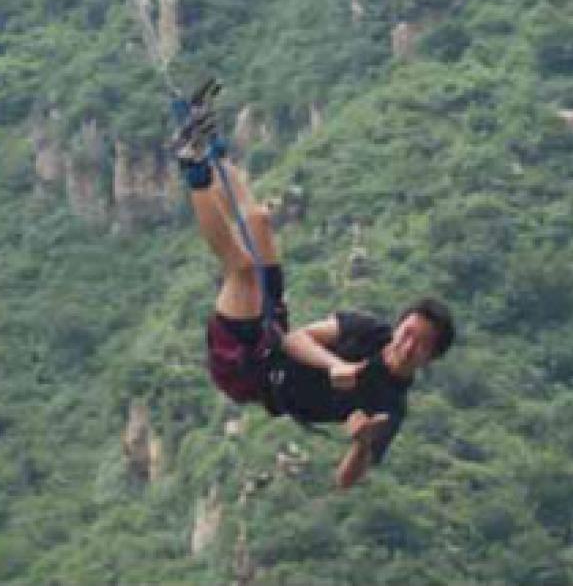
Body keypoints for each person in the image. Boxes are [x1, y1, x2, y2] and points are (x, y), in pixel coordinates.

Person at [171, 80, 456, 489]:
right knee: (259, 223)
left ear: (430, 357)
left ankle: (193, 165)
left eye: (420, 344)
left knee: (244, 271)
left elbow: (346, 480)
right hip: (274, 336)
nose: (406, 344)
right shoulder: (370, 331)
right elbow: (295, 340)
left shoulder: (388, 406)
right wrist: (335, 364)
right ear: (399, 325)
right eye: (408, 332)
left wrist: (361, 443)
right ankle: (209, 144)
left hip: (252, 372)